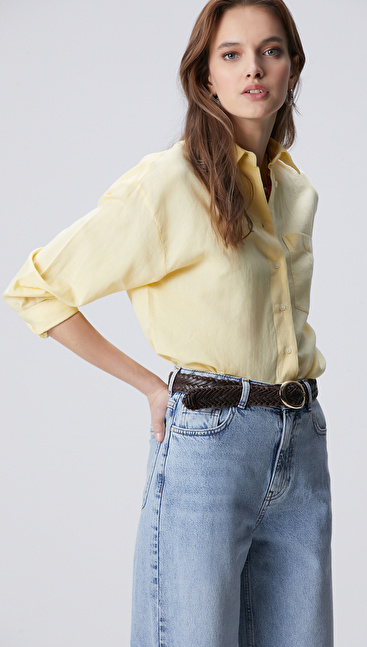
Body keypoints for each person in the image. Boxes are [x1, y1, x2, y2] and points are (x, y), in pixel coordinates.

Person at [3, 0, 333, 644]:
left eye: (270, 51)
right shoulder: (169, 183)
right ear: (206, 75)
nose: (253, 68)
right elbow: (36, 290)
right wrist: (151, 387)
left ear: (292, 67)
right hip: (210, 443)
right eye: (231, 54)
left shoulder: (295, 191)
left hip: (301, 439)